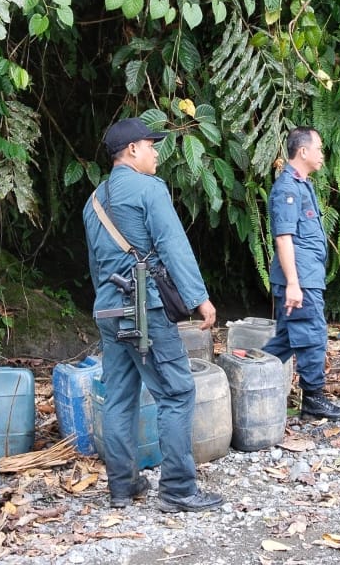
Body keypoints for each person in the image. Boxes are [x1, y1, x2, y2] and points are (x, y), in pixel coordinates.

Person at [83, 117, 224, 513]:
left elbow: (97, 266)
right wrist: (200, 299)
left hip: (108, 310)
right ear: (131, 151)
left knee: (119, 397)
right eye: (151, 145)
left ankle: (123, 486)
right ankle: (178, 489)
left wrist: (106, 307)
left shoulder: (92, 201)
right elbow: (172, 244)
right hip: (145, 311)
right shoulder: (149, 190)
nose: (156, 152)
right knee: (177, 392)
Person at [263, 127, 340, 421]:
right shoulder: (287, 188)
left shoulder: (303, 185)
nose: (322, 154)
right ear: (303, 151)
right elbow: (284, 237)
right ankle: (313, 399)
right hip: (299, 280)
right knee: (312, 336)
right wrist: (293, 284)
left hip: (305, 277)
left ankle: (247, 381)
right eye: (320, 148)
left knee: (288, 339)